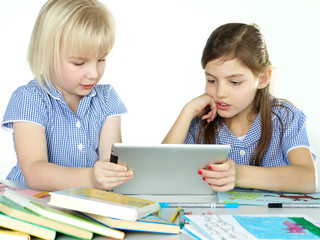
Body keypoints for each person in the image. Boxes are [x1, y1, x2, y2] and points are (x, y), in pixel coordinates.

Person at [162, 23, 317, 193]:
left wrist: (238, 174)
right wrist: (187, 111)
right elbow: (159, 171)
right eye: (212, 80)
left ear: (263, 78)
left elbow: (308, 179)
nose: (220, 93)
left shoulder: (285, 116)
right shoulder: (200, 121)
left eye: (235, 82)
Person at [1, 0, 133, 191]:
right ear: (48, 55)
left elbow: (110, 162)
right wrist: (91, 178)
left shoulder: (107, 98)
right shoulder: (29, 98)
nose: (94, 73)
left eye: (101, 59)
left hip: (82, 204)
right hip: (29, 205)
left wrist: (112, 174)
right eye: (79, 63)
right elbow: (34, 172)